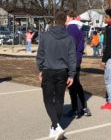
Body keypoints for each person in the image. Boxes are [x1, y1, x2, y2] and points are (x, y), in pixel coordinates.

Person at [37, 12, 76, 140]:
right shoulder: (69, 38)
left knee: (48, 100)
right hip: (62, 72)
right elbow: (72, 58)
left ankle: (56, 126)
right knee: (59, 100)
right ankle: (55, 127)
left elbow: (40, 54)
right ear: (65, 22)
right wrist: (71, 74)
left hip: (49, 71)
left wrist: (41, 69)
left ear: (54, 21)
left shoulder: (45, 36)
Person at [66, 11, 91, 118]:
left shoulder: (71, 28)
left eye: (66, 17)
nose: (64, 19)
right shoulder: (78, 27)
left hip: (72, 60)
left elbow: (70, 45)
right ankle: (83, 108)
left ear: (71, 17)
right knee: (76, 84)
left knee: (72, 84)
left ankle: (76, 109)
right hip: (77, 58)